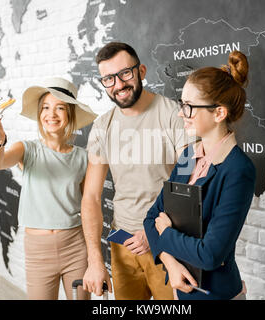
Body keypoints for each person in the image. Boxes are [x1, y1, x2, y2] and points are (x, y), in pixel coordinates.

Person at [81, 42, 194, 300]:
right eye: (109, 79)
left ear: (141, 70)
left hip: (166, 243)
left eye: (125, 74)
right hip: (121, 244)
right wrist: (95, 260)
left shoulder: (175, 116)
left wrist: (152, 233)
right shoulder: (102, 126)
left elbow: (189, 186)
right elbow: (90, 197)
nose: (119, 84)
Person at [143, 51, 255, 300]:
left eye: (189, 107)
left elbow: (210, 255)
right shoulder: (187, 158)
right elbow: (151, 219)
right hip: (180, 290)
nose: (181, 113)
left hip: (216, 295)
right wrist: (171, 265)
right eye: (182, 104)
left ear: (219, 113)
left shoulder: (238, 170)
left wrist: (167, 233)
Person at [0, 77, 97, 300]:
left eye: (59, 108)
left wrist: (94, 255)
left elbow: (88, 203)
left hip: (75, 246)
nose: (51, 114)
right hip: (38, 250)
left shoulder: (84, 158)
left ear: (70, 114)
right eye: (45, 107)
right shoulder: (27, 149)